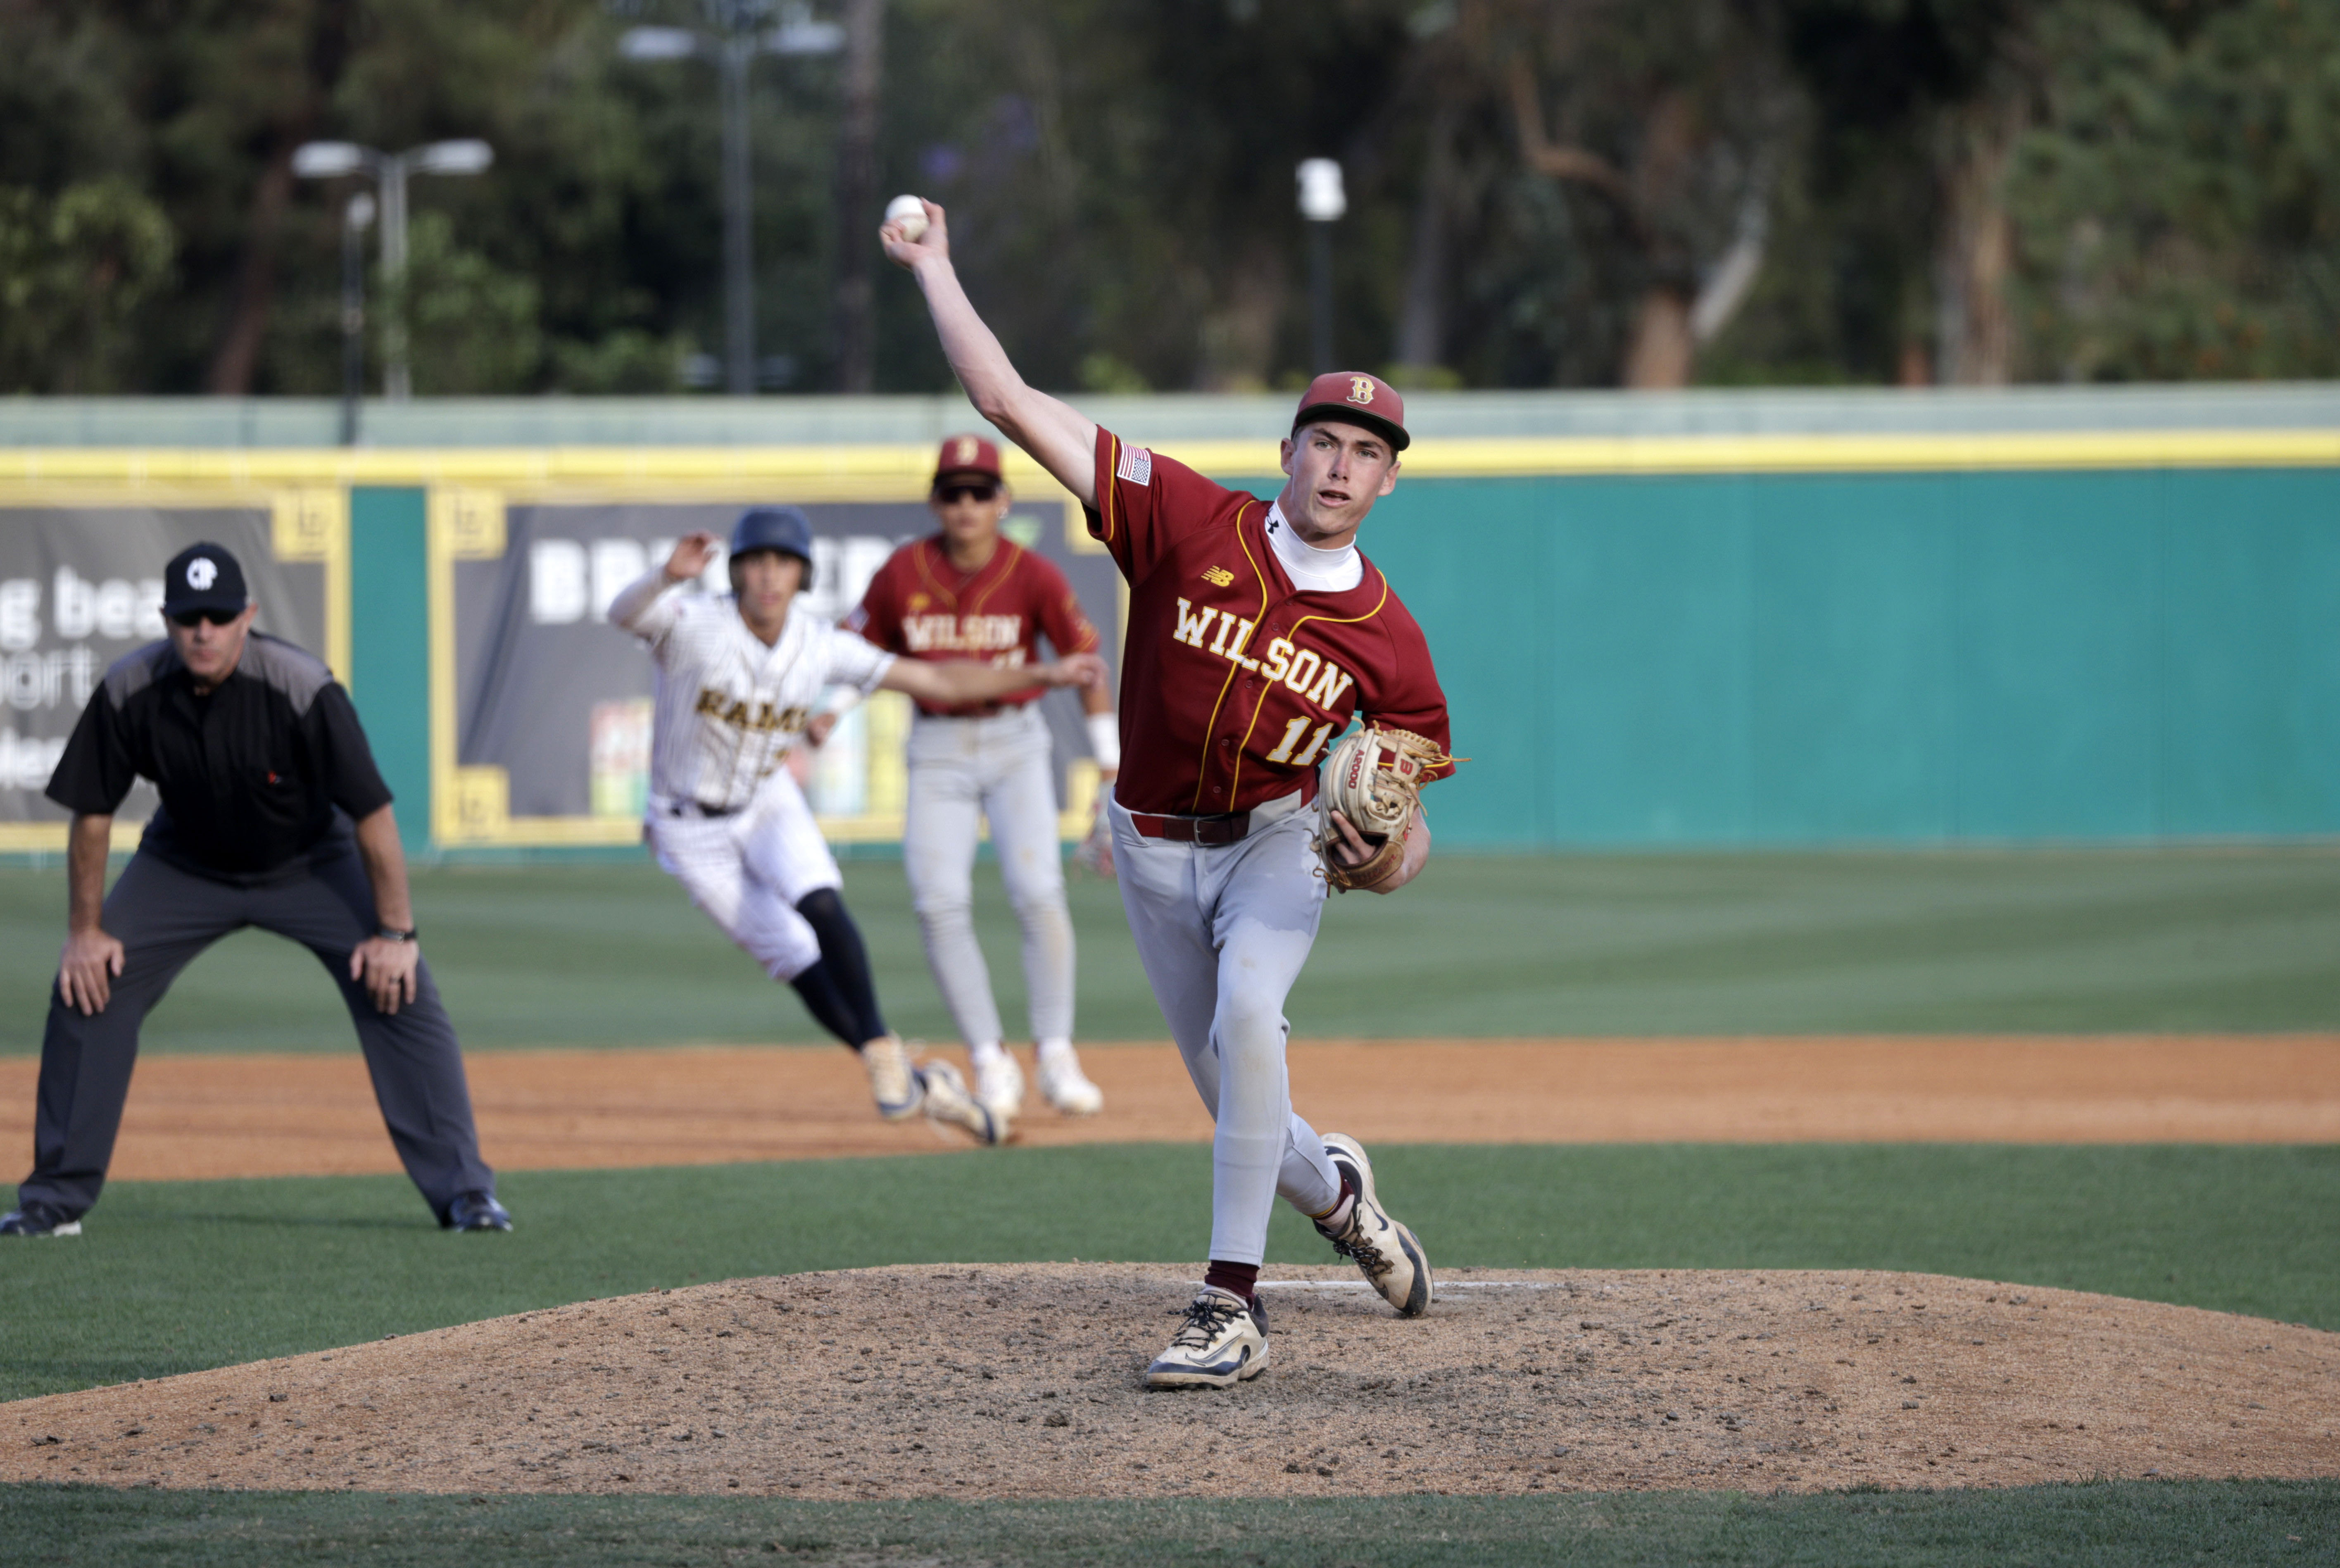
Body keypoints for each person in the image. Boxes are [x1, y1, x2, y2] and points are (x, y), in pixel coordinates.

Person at [883, 200, 1453, 1389]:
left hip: (1276, 844)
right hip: (1147, 846)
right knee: (1242, 1101)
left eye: (1370, 453)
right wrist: (938, 265)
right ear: (1288, 450)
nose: (1343, 467)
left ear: (1390, 483)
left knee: (1253, 1021)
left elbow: (1410, 835)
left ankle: (1229, 1307)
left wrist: (1381, 858)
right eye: (1326, 443)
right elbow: (1006, 399)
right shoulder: (1184, 515)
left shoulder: (1390, 640)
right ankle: (1342, 1198)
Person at [3, 543, 508, 1238]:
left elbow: (373, 815)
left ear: (249, 615)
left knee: (400, 985)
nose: (202, 631)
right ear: (166, 620)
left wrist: (395, 935)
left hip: (311, 862)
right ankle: (53, 1201)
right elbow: (92, 813)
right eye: (188, 618)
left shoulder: (302, 686)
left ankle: (466, 1194)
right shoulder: (132, 688)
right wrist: (85, 933)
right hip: (184, 865)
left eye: (217, 615)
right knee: (92, 982)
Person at [606, 507, 1105, 1145]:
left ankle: (878, 1050)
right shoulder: (696, 625)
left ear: (803, 575)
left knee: (821, 899)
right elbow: (626, 615)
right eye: (756, 561)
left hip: (767, 801)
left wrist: (1040, 672)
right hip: (687, 829)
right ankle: (910, 1069)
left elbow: (938, 679)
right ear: (735, 571)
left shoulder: (820, 646)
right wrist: (663, 577)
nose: (769, 576)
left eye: (783, 563)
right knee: (790, 954)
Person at [838, 434, 1115, 1124]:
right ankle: (990, 1060)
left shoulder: (1034, 575)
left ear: (1003, 501)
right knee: (938, 904)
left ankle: (1056, 1054)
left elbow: (1087, 662)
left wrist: (1109, 767)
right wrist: (827, 714)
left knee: (1038, 891)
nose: (966, 505)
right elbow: (851, 651)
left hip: (1015, 740)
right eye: (953, 492)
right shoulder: (903, 572)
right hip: (936, 746)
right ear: (935, 501)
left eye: (980, 492)